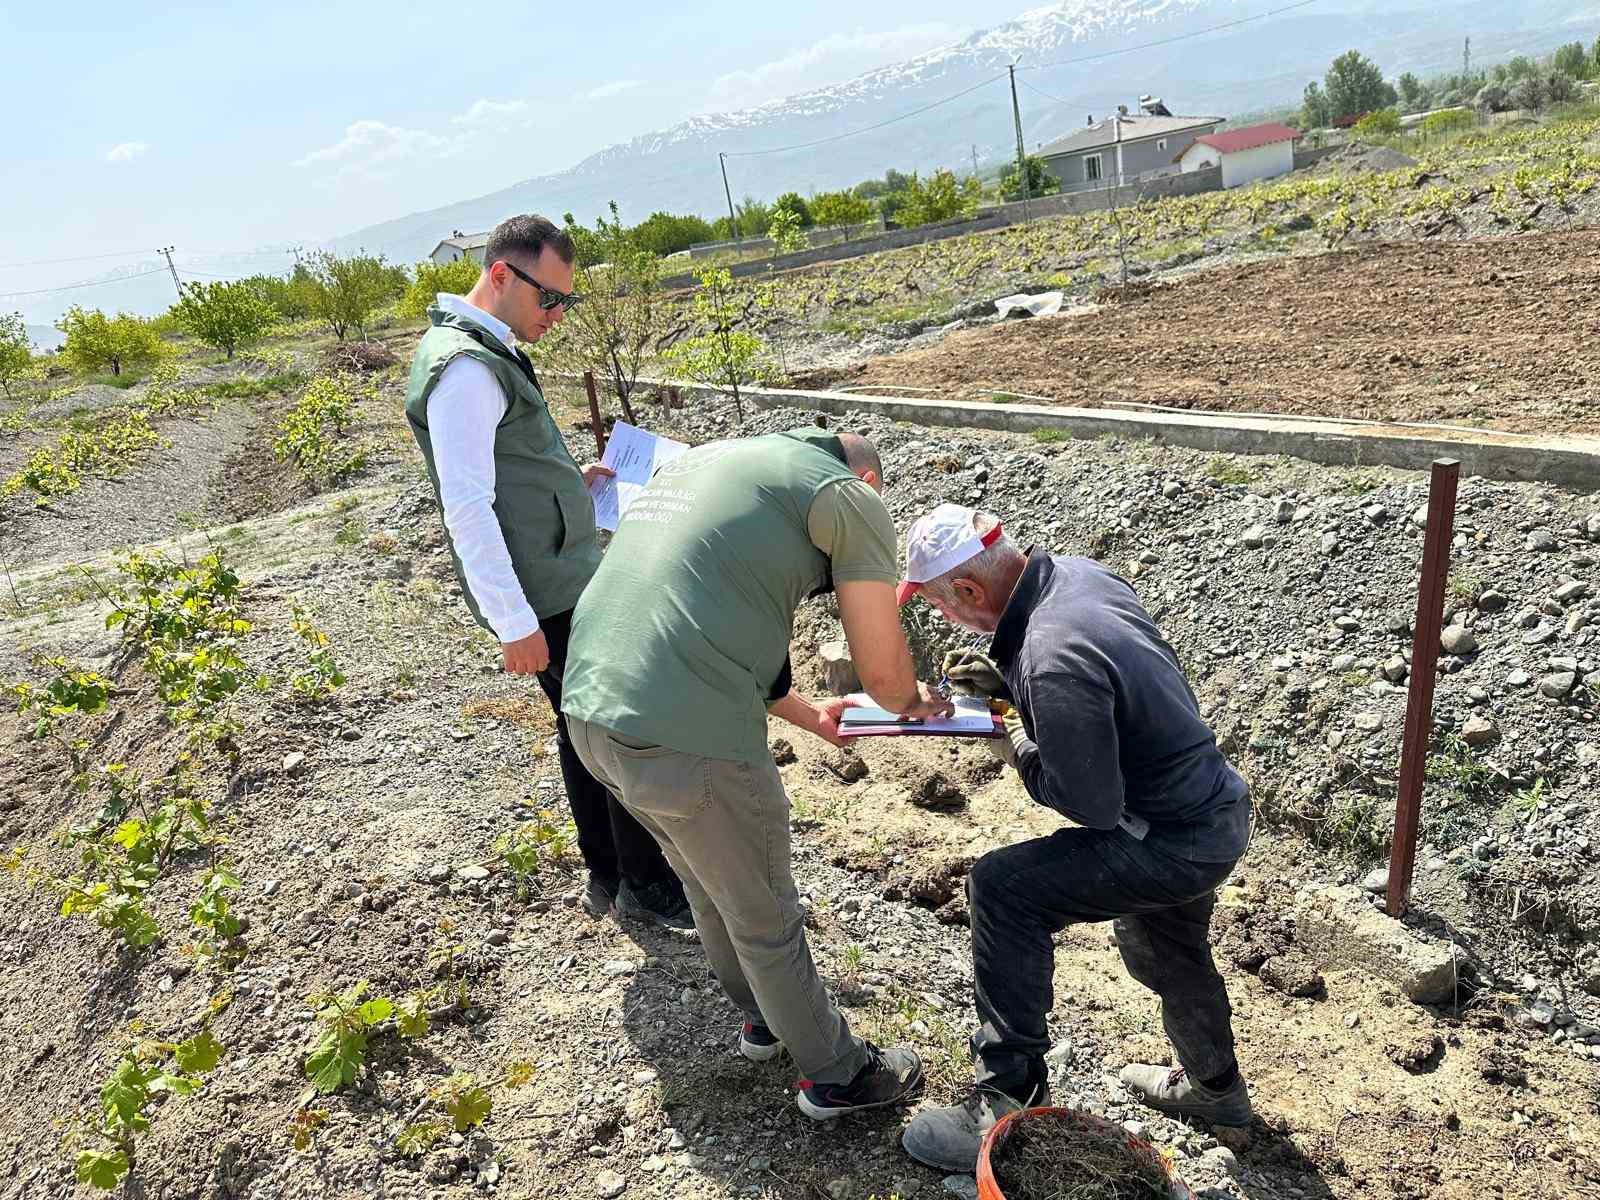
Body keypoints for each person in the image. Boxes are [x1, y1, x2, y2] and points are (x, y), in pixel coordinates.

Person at [561, 426, 952, 1119]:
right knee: (767, 912)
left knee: (711, 885)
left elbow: (716, 617)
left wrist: (813, 718)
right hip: (683, 731)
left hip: (593, 717)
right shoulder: (849, 498)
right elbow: (888, 678)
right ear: (866, 484)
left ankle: (767, 1019)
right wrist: (917, 700)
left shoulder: (714, 464)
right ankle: (838, 1075)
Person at [896, 504, 1254, 1172]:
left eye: (944, 606)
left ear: (973, 591)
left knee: (1003, 888)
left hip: (1166, 836)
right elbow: (1105, 698)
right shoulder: (1077, 577)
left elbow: (1091, 801)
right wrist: (1010, 693)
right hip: (1210, 805)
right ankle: (1217, 1092)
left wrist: (1009, 734)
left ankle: (1006, 1102)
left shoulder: (1050, 655)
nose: (947, 619)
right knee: (1161, 942)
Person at [403, 213, 691, 931]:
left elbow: (511, 471)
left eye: (567, 300)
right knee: (619, 725)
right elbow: (466, 507)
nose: (557, 315)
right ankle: (646, 887)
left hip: (559, 579)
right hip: (549, 596)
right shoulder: (464, 370)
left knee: (582, 724)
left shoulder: (482, 348)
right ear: (501, 275)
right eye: (550, 298)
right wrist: (514, 623)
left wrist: (574, 482)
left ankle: (609, 869)